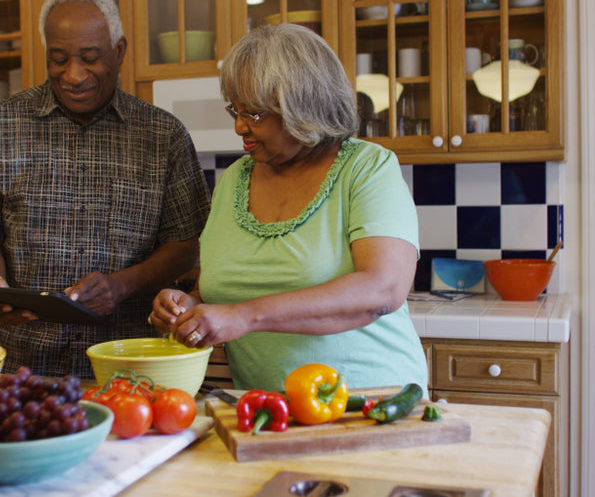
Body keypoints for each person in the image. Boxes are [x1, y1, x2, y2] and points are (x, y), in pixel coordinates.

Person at [0, 0, 210, 378]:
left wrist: (121, 286)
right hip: (22, 360)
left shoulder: (162, 134)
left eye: (90, 58)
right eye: (58, 59)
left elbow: (185, 244)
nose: (73, 75)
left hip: (127, 360)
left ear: (119, 51)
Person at [149, 24, 428, 392]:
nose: (238, 127)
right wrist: (187, 305)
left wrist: (245, 317)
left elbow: (383, 290)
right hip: (268, 411)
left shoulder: (367, 168)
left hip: (373, 402)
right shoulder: (233, 181)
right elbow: (218, 292)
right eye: (235, 109)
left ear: (303, 106)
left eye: (255, 114)